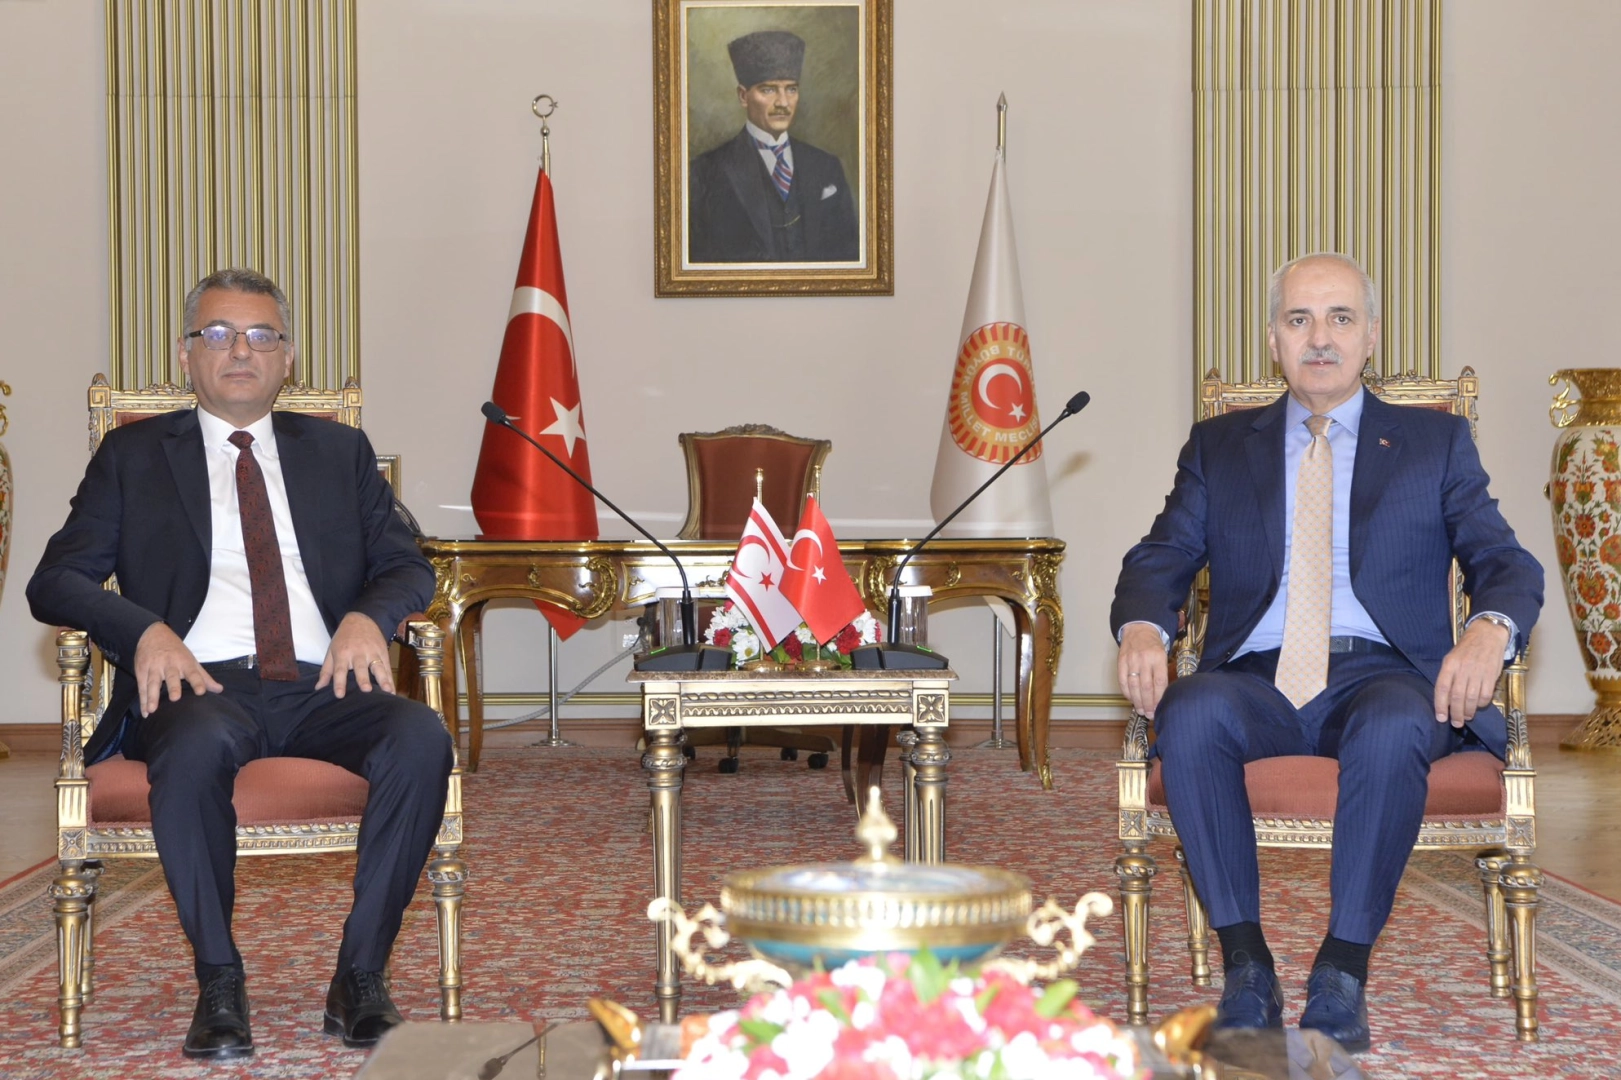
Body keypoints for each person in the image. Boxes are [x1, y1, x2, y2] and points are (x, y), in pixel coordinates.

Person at [1109, 252, 1543, 1053]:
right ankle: (1246, 966)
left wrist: (1488, 628)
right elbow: (1159, 556)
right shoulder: (1218, 446)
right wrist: (1142, 625)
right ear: (1273, 339)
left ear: (1369, 336)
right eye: (1298, 319)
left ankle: (1341, 972)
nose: (1319, 339)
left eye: (1340, 318)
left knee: (1394, 724)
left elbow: (1504, 561)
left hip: (1382, 673)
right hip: (1255, 677)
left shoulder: (1434, 442)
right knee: (1191, 711)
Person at [28, 268, 454, 1060]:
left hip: (323, 682)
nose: (239, 352)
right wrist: (145, 631)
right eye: (218, 334)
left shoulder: (339, 451)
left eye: (261, 337)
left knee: (419, 737)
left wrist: (367, 617)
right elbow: (55, 580)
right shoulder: (133, 455)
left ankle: (360, 977)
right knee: (193, 746)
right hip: (197, 683)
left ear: (287, 358)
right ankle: (219, 979)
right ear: (185, 353)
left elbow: (408, 565)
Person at [688, 29, 859, 263]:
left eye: (791, 89)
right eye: (768, 90)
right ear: (743, 96)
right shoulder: (704, 172)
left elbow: (849, 254)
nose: (783, 103)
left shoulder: (826, 166)